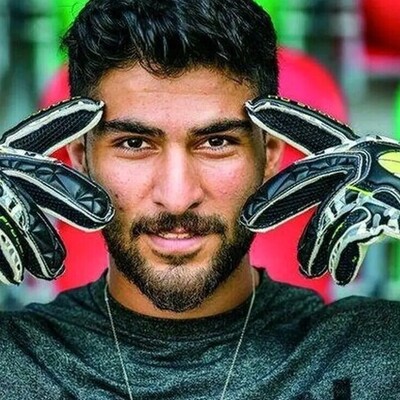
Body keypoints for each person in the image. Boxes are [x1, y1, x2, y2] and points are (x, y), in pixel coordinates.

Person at [0, 0, 399, 399]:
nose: (177, 198)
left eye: (216, 142)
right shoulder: (13, 362)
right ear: (79, 157)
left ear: (272, 151)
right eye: (135, 143)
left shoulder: (377, 352)